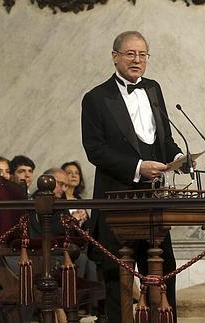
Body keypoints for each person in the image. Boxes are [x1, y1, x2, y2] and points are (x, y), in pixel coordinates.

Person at [81, 30, 184, 321]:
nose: (137, 60)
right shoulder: (95, 98)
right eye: (130, 53)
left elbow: (163, 139)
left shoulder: (153, 89)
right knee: (119, 283)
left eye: (142, 54)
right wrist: (138, 167)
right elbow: (95, 150)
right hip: (117, 203)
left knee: (165, 274)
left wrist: (177, 157)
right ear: (115, 57)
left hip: (153, 205)